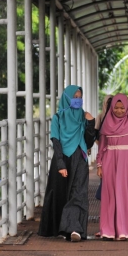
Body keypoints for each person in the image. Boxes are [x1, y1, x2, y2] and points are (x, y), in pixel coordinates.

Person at [38, 85, 96, 242]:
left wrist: (91, 123)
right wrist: (61, 164)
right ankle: (65, 228)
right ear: (67, 98)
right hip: (63, 157)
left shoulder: (83, 117)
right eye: (74, 97)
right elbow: (56, 141)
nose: (78, 100)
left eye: (80, 97)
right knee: (62, 194)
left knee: (79, 193)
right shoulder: (57, 118)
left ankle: (75, 229)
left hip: (80, 157)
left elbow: (89, 142)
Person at [96, 94, 128, 240]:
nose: (119, 111)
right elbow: (102, 146)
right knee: (110, 195)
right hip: (109, 162)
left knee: (126, 195)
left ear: (127, 107)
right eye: (116, 108)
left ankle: (125, 230)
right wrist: (99, 164)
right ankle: (108, 230)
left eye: (122, 108)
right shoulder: (106, 123)